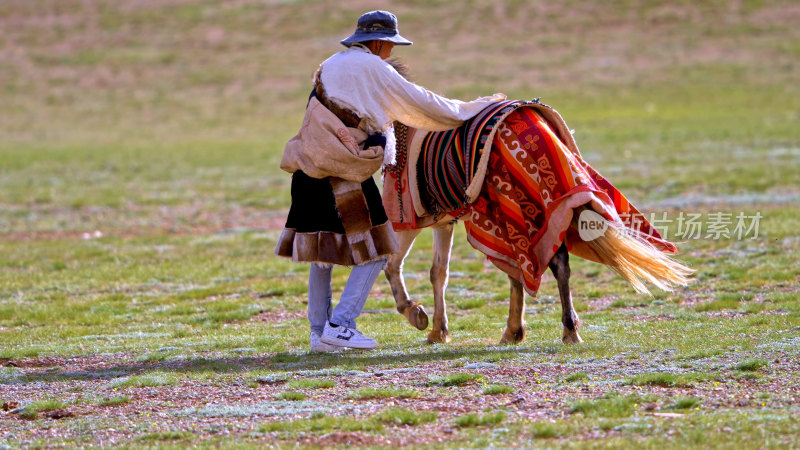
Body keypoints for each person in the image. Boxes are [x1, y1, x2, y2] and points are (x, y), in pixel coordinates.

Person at [275, 10, 505, 351]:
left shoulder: (330, 65)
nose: (391, 53)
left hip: (308, 168)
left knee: (321, 251)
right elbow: (421, 103)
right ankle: (341, 324)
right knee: (382, 248)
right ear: (380, 43)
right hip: (344, 174)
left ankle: (318, 333)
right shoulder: (376, 68)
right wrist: (469, 109)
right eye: (391, 46)